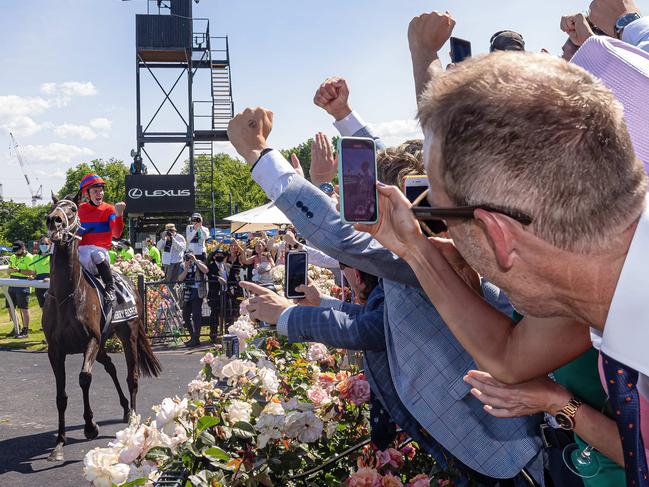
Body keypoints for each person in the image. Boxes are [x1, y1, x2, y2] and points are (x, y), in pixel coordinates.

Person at [341, 22, 648, 486]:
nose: (438, 230)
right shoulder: (601, 284)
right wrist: (416, 248)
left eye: (441, 213)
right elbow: (506, 357)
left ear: (498, 235)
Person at [227, 73, 546, 486]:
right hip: (483, 435)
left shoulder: (428, 251)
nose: (365, 206)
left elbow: (339, 236)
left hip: (501, 450)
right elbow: (403, 172)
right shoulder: (429, 237)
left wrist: (256, 153)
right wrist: (344, 116)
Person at [77, 173, 125, 316]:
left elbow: (116, 234)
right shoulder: (79, 210)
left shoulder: (109, 209)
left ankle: (110, 289)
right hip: (80, 251)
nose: (100, 194)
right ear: (87, 194)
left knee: (96, 254)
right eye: (95, 191)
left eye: (101, 190)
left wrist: (119, 215)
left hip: (99, 252)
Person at [177, 250, 208, 347]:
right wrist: (186, 269)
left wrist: (195, 261)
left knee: (196, 315)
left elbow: (206, 270)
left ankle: (196, 338)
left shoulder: (198, 263)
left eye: (191, 257)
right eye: (188, 257)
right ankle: (192, 337)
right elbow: (180, 279)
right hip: (186, 292)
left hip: (197, 292)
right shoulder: (182, 265)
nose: (189, 259)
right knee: (185, 316)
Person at [7, 240, 34, 338]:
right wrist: (12, 270)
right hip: (12, 282)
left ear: (23, 248)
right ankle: (16, 327)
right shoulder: (13, 256)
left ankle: (25, 330)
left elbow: (33, 272)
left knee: (24, 308)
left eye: (17, 250)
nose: (15, 253)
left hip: (23, 284)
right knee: (10, 307)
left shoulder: (30, 257)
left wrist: (19, 270)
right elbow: (8, 271)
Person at [206, 249, 229, 342]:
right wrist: (217, 278)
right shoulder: (211, 266)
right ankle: (213, 335)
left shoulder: (226, 266)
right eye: (218, 254)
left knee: (226, 313)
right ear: (214, 256)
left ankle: (227, 333)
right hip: (214, 293)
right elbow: (209, 275)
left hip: (225, 293)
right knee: (214, 314)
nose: (220, 256)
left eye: (221, 254)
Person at [31, 236, 52, 309]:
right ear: (39, 245)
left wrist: (50, 279)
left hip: (51, 285)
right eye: (42, 243)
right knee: (43, 308)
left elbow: (57, 273)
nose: (44, 245)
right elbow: (34, 272)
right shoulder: (35, 258)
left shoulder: (53, 257)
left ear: (50, 245)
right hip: (39, 285)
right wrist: (31, 277)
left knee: (52, 308)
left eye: (46, 244)